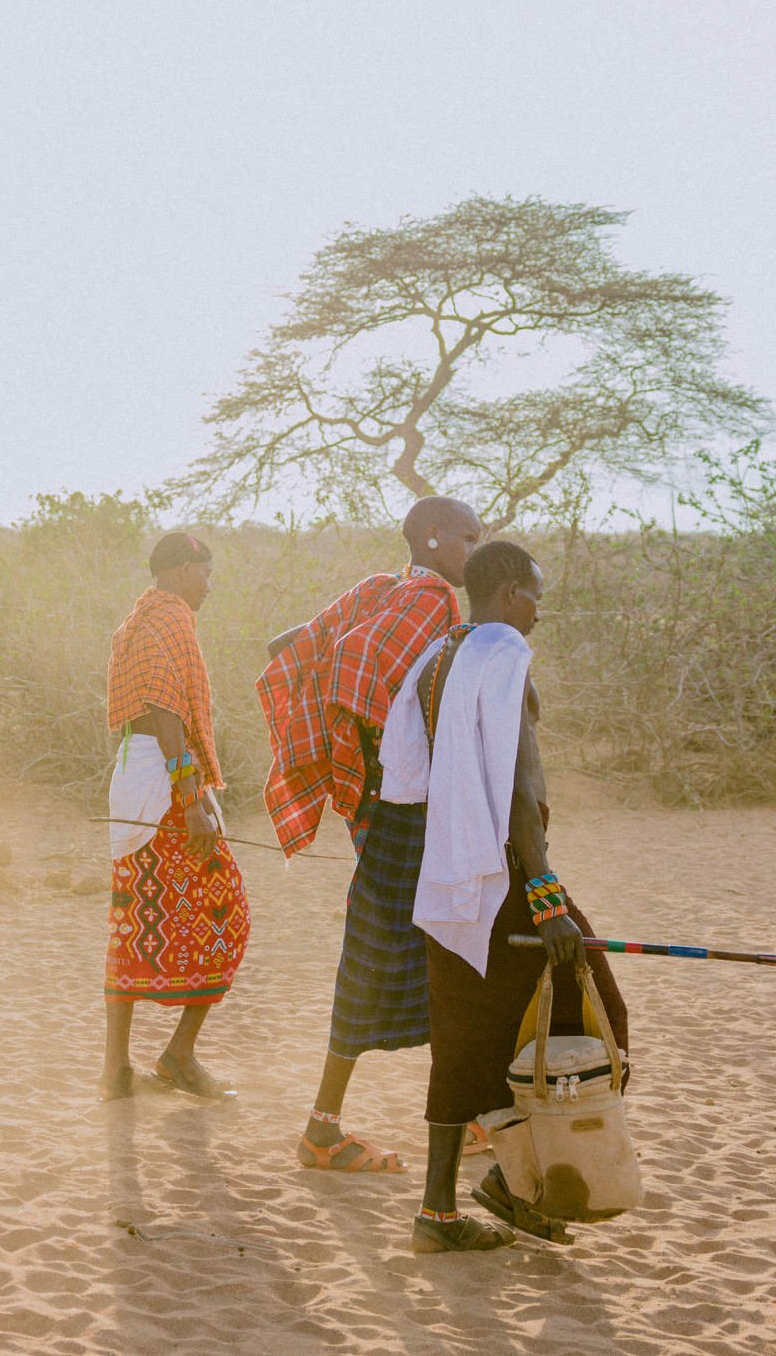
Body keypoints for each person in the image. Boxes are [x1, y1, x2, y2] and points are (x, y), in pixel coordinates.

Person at [374, 540, 628, 1252]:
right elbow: (520, 783)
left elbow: (405, 773)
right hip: (510, 874)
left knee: (464, 1043)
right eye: (536, 595)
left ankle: (439, 1213)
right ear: (511, 591)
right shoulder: (503, 653)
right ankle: (517, 1186)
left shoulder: (439, 657)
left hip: (447, 877)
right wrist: (545, 892)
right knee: (597, 1013)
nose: (539, 612)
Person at [254, 496, 483, 1173]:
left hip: (379, 802)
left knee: (437, 951)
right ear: (435, 537)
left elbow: (291, 647)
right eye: (468, 537)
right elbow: (361, 666)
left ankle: (463, 1115)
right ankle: (322, 1130)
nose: (474, 548)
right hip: (405, 808)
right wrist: (388, 738)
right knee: (398, 954)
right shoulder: (434, 600)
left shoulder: (379, 589)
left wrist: (356, 754)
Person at [100, 530, 251, 1101]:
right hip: (162, 782)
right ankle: (179, 1055)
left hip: (135, 776)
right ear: (184, 568)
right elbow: (164, 706)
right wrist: (190, 795)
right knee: (226, 913)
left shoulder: (142, 616)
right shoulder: (169, 616)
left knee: (134, 920)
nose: (209, 585)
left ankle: (116, 1070)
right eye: (206, 573)